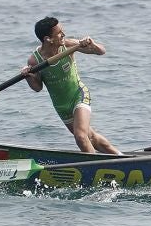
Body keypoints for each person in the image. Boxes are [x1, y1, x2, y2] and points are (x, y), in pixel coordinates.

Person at [23, 16, 119, 154]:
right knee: (90, 137)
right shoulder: (34, 60)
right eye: (59, 33)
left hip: (78, 94)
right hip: (61, 106)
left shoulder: (69, 46)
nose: (64, 34)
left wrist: (92, 44)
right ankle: (120, 157)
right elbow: (37, 88)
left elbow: (101, 51)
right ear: (47, 39)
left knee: (80, 136)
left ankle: (98, 166)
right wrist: (28, 77)